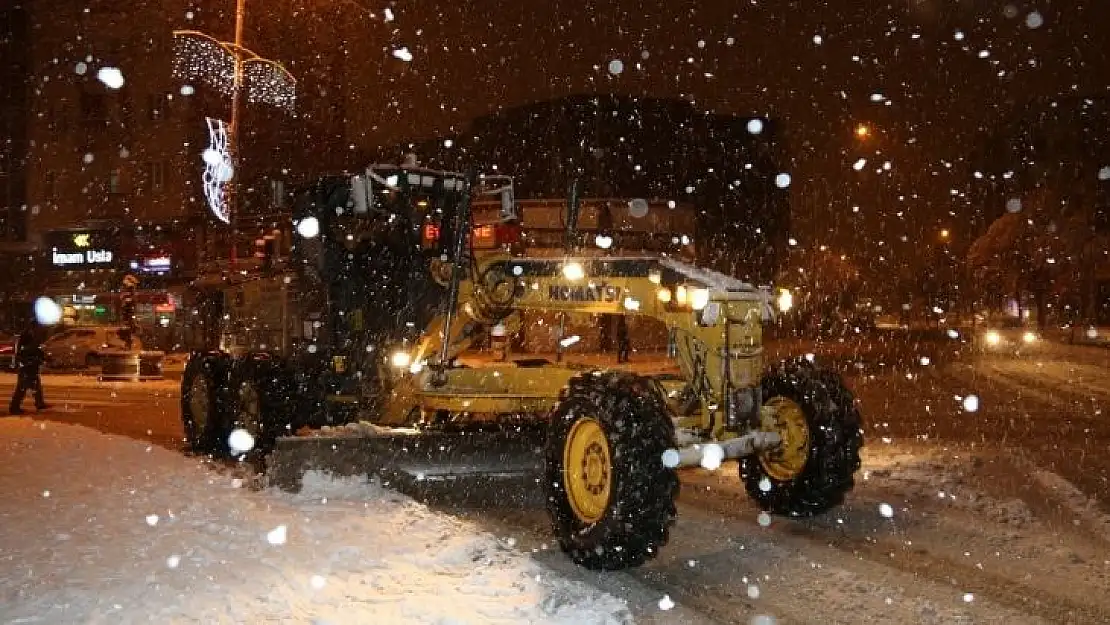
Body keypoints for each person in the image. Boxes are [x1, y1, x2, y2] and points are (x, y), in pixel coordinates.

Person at [9, 326, 49, 414]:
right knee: (22, 387)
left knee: (34, 384)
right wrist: (37, 358)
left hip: (28, 364)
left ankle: (39, 403)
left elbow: (33, 350)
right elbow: (30, 350)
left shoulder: (30, 336)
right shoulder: (29, 337)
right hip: (27, 365)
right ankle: (14, 407)